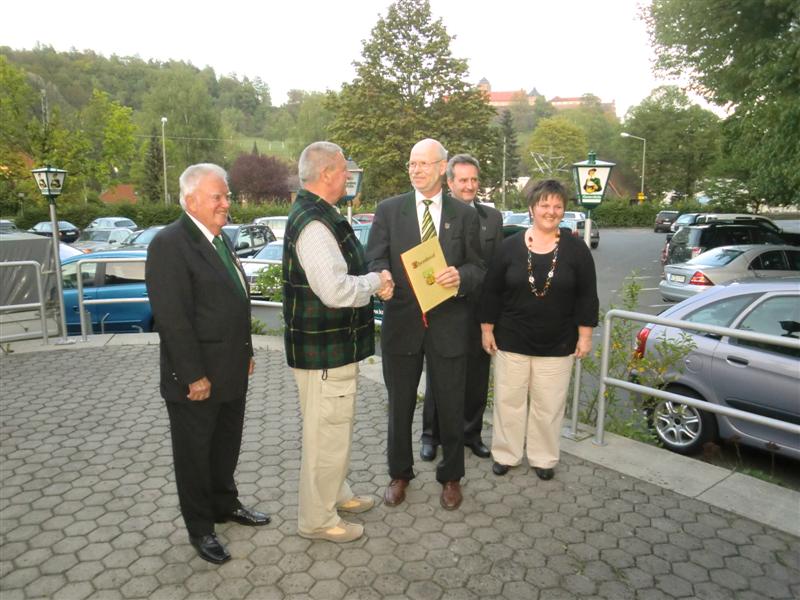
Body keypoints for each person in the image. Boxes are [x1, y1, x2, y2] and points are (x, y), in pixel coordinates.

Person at [145, 163, 270, 565]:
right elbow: (172, 318)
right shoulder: (170, 243)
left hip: (230, 369)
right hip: (197, 378)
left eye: (226, 195)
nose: (225, 203)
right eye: (217, 196)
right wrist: (192, 375)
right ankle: (200, 528)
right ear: (191, 200)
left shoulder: (219, 239)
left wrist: (245, 353)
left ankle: (224, 504)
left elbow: (233, 302)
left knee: (225, 445)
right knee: (194, 455)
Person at [283, 141, 394, 543]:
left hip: (329, 350)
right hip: (324, 353)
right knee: (326, 435)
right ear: (327, 173)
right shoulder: (314, 225)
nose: (349, 175)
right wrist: (377, 282)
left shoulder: (318, 214)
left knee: (334, 429)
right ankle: (317, 519)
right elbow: (334, 290)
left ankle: (337, 494)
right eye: (345, 169)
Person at [366, 138, 485, 511]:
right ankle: (399, 473)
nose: (415, 170)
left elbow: (478, 268)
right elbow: (374, 258)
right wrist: (382, 275)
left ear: (441, 168)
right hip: (402, 323)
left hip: (449, 324)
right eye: (412, 164)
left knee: (450, 403)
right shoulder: (389, 210)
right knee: (399, 404)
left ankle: (451, 477)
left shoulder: (464, 215)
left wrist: (460, 277)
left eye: (423, 163)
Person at [480, 179, 598, 480]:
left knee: (549, 405)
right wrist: (487, 329)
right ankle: (506, 454)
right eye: (545, 204)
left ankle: (543, 458)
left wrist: (585, 336)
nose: (551, 211)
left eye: (557, 206)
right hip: (511, 338)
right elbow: (491, 292)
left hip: (558, 342)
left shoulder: (577, 250)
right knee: (509, 402)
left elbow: (587, 296)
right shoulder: (508, 248)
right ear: (532, 208)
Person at [420, 154, 503, 462]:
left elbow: (495, 268)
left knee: (478, 376)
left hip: (480, 311)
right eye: (463, 180)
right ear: (450, 182)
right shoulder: (434, 215)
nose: (469, 186)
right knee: (439, 376)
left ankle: (471, 433)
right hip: (444, 309)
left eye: (474, 180)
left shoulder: (492, 218)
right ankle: (432, 435)